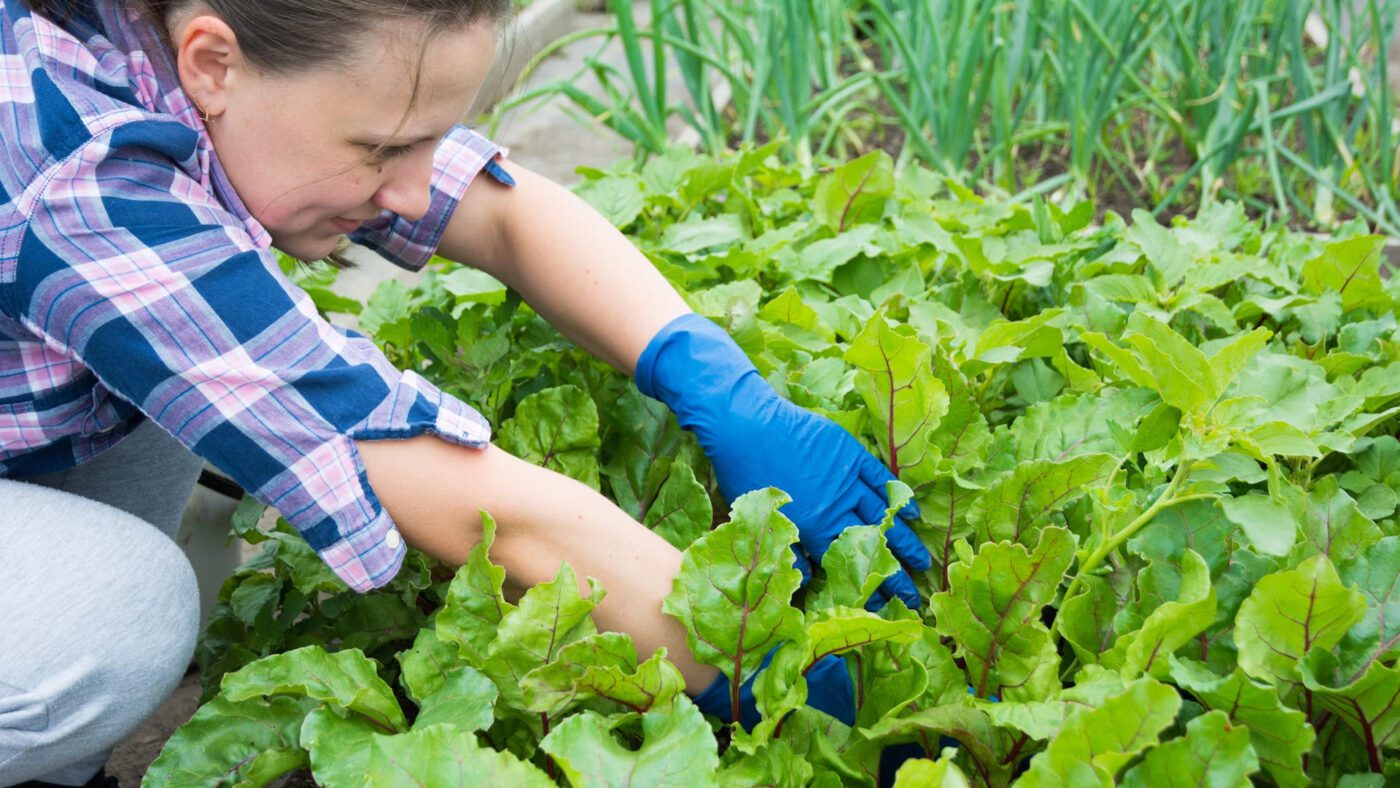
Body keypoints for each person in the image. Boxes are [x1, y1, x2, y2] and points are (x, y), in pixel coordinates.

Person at [0, 0, 933, 784]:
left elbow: (499, 209)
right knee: (126, 610)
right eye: (383, 148)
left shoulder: (203, 46)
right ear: (212, 63)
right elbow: (465, 500)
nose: (413, 192)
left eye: (431, 138)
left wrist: (715, 381)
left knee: (188, 363)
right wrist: (767, 664)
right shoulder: (78, 174)